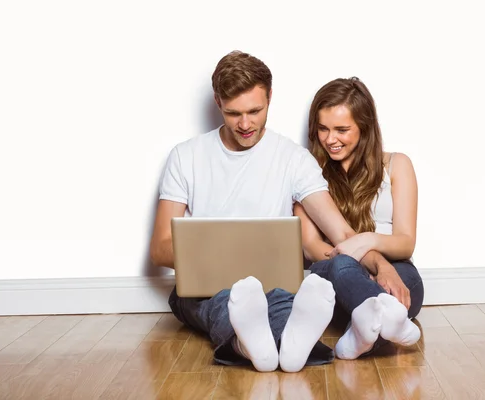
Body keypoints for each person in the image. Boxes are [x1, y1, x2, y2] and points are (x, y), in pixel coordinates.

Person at [149, 52, 397, 373]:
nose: (245, 123)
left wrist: (381, 264)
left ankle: (259, 347)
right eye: (233, 113)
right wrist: (217, 253)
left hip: (272, 287)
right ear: (217, 101)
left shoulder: (294, 159)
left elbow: (342, 234)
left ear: (270, 97)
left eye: (255, 111)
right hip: (205, 289)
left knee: (280, 301)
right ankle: (274, 344)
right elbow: (159, 248)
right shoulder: (185, 156)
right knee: (225, 303)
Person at [294, 77, 424, 360]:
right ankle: (385, 326)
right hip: (334, 269)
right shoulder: (306, 171)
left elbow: (405, 243)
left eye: (342, 129)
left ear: (364, 128)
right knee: (342, 267)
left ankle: (361, 334)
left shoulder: (397, 165)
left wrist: (368, 244)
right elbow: (311, 246)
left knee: (408, 283)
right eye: (323, 129)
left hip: (394, 266)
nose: (330, 139)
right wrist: (360, 263)